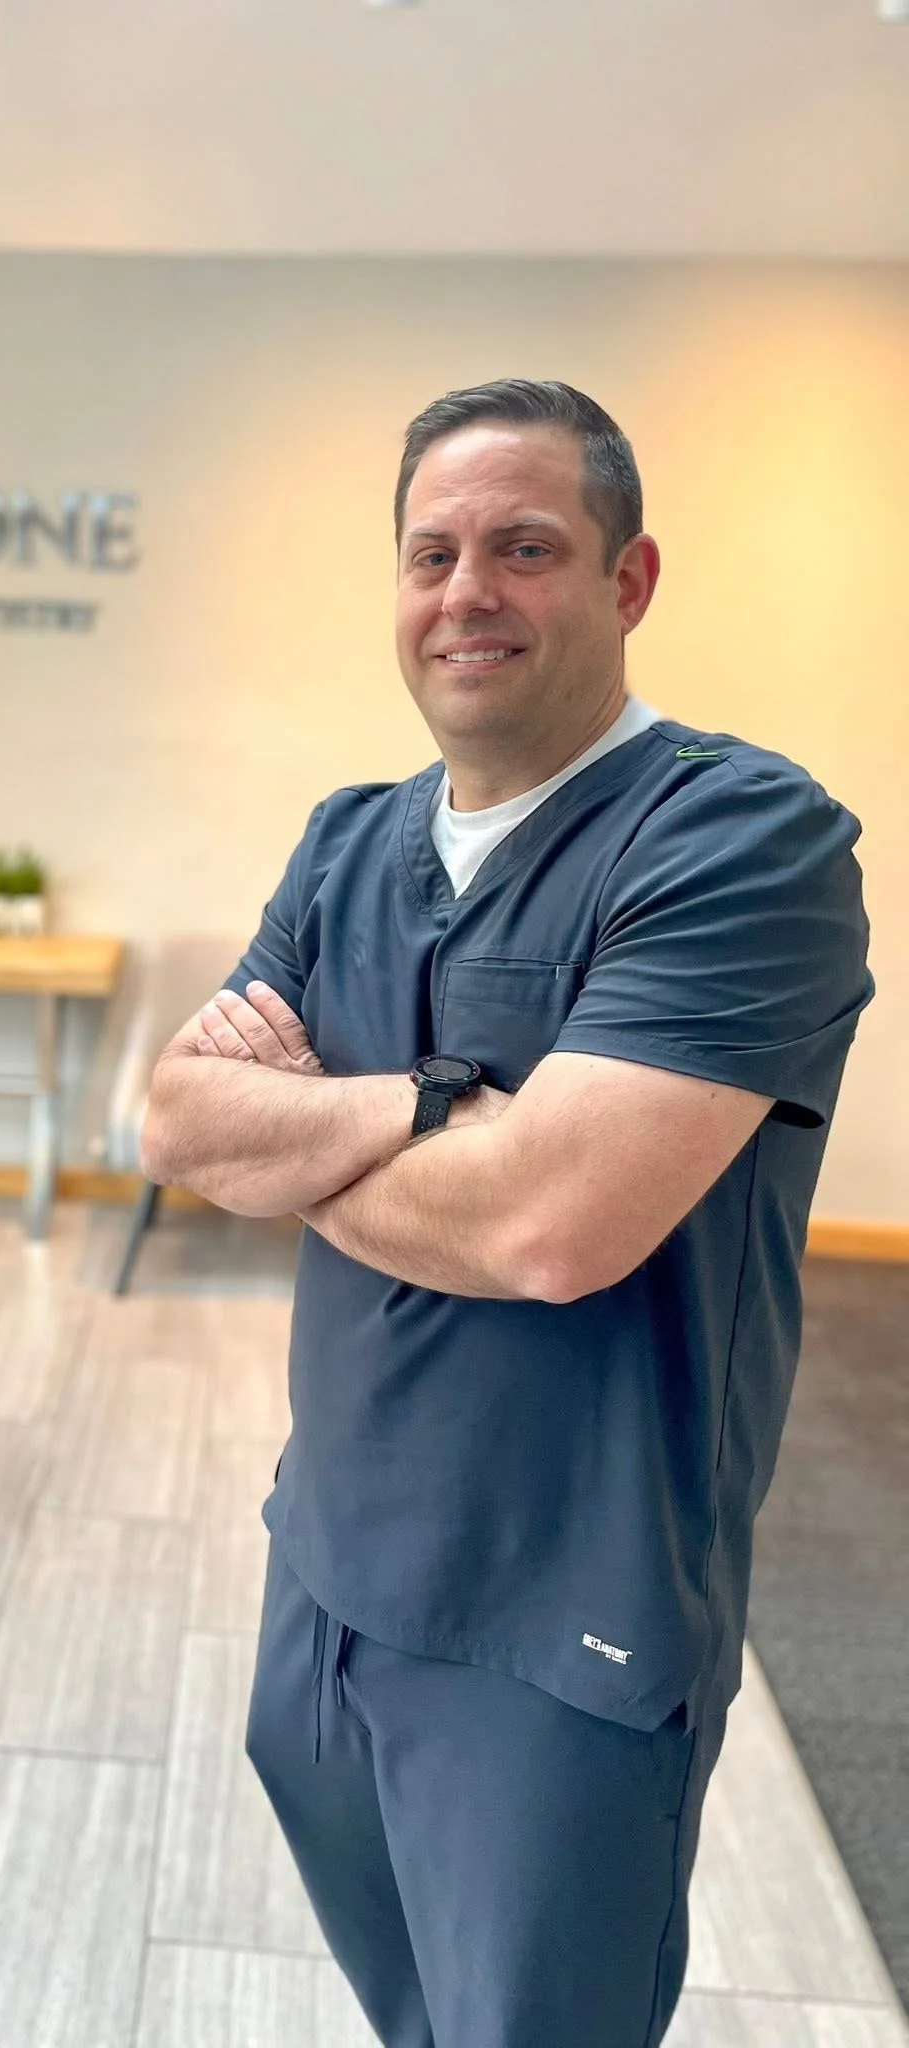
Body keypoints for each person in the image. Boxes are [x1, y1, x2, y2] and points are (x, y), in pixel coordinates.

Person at [140, 379, 873, 2048]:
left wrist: (297, 1140)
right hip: (326, 1564)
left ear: (629, 579)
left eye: (525, 548)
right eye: (432, 554)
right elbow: (179, 1122)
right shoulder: (348, 842)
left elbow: (548, 1230)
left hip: (564, 1621)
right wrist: (427, 1107)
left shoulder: (741, 841)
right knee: (411, 2009)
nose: (466, 592)